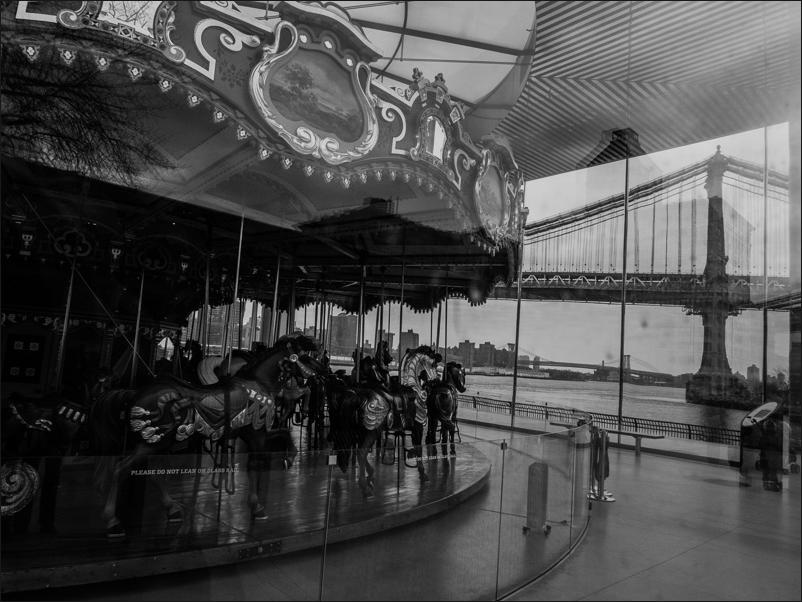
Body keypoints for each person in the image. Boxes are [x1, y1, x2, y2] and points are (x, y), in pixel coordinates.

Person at [759, 418, 782, 491]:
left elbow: (761, 445)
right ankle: (772, 484)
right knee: (771, 471)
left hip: (766, 456)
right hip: (771, 456)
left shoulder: (764, 436)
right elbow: (779, 446)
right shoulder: (775, 437)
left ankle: (768, 484)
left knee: (767, 471)